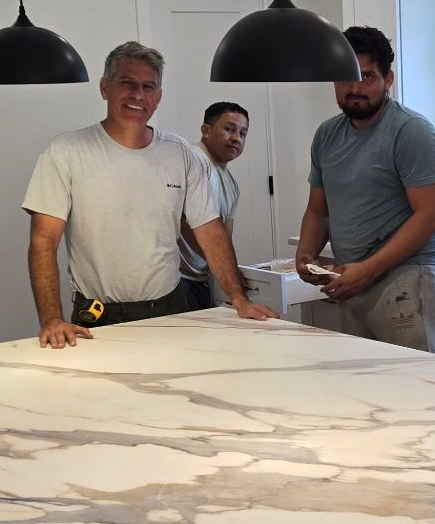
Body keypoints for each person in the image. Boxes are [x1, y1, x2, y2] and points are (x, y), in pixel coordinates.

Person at [22, 41, 275, 348]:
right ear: (105, 88)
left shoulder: (180, 153)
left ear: (158, 98)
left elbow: (211, 231)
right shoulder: (66, 152)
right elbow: (43, 241)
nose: (138, 95)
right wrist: (51, 319)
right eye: (127, 83)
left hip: (169, 311)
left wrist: (239, 299)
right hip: (97, 317)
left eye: (148, 87)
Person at [295, 26, 435, 352]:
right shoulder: (326, 135)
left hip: (403, 277)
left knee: (412, 385)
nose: (354, 89)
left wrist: (367, 270)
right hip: (349, 279)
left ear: (388, 79)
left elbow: (430, 215)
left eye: (367, 77)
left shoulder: (411, 132)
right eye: (345, 78)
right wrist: (305, 254)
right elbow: (319, 210)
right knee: (362, 385)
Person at [178, 101, 250, 310]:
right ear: (206, 130)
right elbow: (184, 223)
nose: (236, 138)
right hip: (178, 279)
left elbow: (224, 237)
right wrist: (224, 268)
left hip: (203, 278)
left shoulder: (232, 184)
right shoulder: (195, 159)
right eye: (229, 129)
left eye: (243, 133)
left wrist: (228, 271)